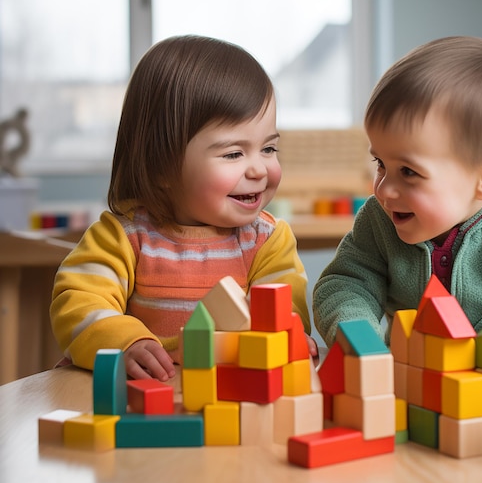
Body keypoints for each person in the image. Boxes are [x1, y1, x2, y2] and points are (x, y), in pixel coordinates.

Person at [51, 35, 317, 381]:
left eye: (268, 149)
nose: (259, 169)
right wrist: (125, 343)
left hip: (228, 398)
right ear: (162, 167)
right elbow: (78, 302)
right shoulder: (124, 237)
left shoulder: (267, 241)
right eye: (234, 154)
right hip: (143, 400)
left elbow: (285, 312)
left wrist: (285, 333)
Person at [313, 36, 482, 364]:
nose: (383, 189)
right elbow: (346, 282)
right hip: (409, 376)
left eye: (408, 172)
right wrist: (358, 334)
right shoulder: (377, 219)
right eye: (381, 163)